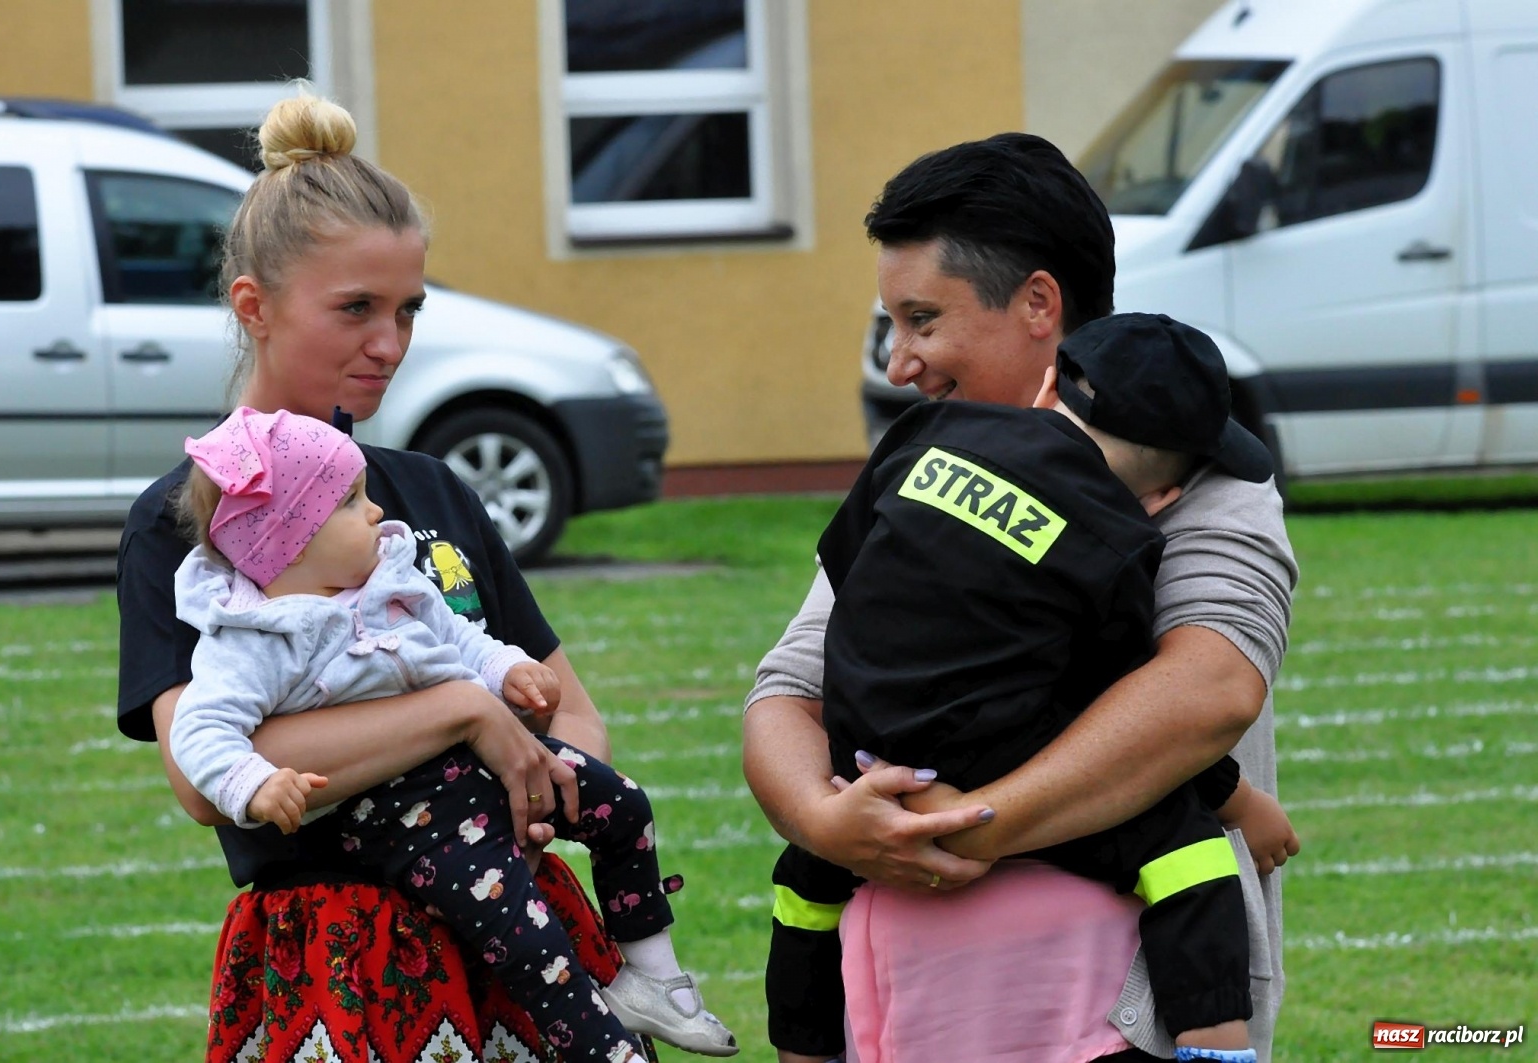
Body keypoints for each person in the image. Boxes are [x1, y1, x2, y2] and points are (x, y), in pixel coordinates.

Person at [115, 88, 672, 1062]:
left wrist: (521, 800)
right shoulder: (188, 518)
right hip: (339, 961)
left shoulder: (432, 491)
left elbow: (574, 718)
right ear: (255, 306)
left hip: (521, 939)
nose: (390, 343)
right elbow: (208, 777)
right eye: (356, 309)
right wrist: (461, 712)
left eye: (408, 309)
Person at [743, 132, 1298, 1063]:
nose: (899, 363)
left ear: (1039, 303)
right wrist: (826, 821)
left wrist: (959, 827)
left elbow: (1207, 694)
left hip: (1120, 1023)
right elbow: (789, 687)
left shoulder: (1200, 477)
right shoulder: (931, 472)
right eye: (892, 325)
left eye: (923, 319)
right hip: (907, 1016)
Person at [165, 406, 738, 1061]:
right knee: (529, 939)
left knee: (622, 803)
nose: (376, 511)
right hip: (405, 819)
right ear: (291, 539)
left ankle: (654, 976)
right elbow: (203, 728)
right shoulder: (252, 637)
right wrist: (256, 784)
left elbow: (458, 635)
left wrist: (507, 668)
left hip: (481, 770)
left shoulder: (388, 577)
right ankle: (607, 1051)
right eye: (351, 502)